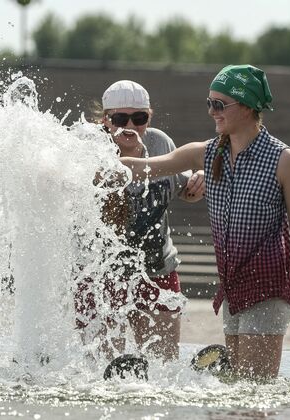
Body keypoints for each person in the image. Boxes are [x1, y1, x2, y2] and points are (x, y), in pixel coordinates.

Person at [120, 65, 290, 379]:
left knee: (253, 393)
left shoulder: (284, 161)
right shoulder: (205, 153)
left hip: (268, 291)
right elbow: (143, 166)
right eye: (209, 103)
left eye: (219, 104)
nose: (212, 112)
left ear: (246, 106)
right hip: (233, 292)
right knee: (239, 392)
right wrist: (81, 159)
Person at [76, 80, 205, 361]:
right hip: (100, 274)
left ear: (149, 116)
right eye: (120, 118)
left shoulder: (160, 143)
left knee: (163, 362)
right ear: (105, 120)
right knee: (102, 367)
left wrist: (197, 182)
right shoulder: (89, 146)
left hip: (156, 270)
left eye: (139, 118)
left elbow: (182, 188)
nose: (130, 126)